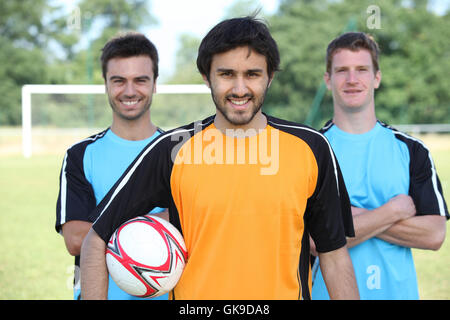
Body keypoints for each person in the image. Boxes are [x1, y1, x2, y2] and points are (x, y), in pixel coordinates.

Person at [80, 16, 359, 300]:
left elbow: (334, 255)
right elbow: (96, 237)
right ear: (206, 77)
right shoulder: (173, 149)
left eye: (252, 74)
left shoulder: (311, 148)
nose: (240, 89)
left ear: (270, 76)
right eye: (226, 74)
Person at [311, 32, 449, 300]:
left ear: (377, 77)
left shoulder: (412, 150)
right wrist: (393, 210)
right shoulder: (311, 151)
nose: (352, 80)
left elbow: (434, 235)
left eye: (362, 69)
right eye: (342, 71)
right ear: (328, 79)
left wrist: (348, 218)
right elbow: (316, 241)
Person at [55, 32, 168, 300]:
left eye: (140, 80)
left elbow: (198, 227)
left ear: (154, 84)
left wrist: (101, 230)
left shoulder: (177, 154)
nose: (129, 91)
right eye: (118, 81)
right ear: (105, 84)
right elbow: (74, 240)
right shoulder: (81, 155)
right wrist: (161, 222)